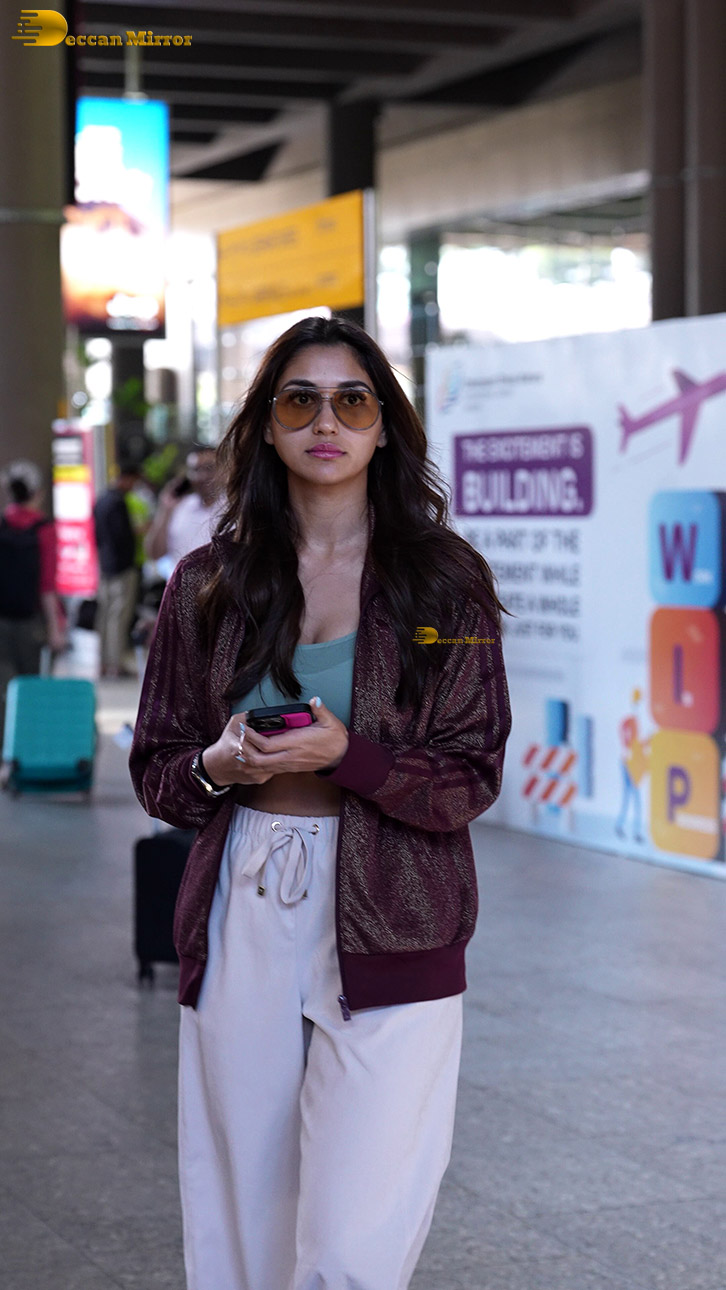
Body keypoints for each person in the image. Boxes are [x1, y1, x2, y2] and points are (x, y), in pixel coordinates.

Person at [129, 316, 511, 1290]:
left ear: (384, 425)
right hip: (247, 892)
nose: (326, 422)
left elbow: (471, 771)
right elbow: (158, 769)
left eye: (352, 401)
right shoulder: (206, 583)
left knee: (355, 1240)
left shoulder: (447, 585)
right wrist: (220, 764)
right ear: (266, 423)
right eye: (300, 400)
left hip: (400, 905)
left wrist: (352, 757)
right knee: (244, 1220)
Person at [0, 459, 64, 731]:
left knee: (4, 689)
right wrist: (55, 628)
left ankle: (4, 747)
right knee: (32, 686)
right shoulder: (44, 529)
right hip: (31, 622)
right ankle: (27, 743)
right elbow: (47, 584)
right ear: (37, 493)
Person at [93, 462, 140, 678]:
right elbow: (123, 536)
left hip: (105, 565)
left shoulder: (101, 500)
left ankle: (104, 662)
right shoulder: (118, 502)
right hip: (122, 566)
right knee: (118, 617)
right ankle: (115, 663)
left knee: (104, 615)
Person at [144, 444, 223, 575]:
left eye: (209, 468)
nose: (203, 476)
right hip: (179, 585)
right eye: (196, 470)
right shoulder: (178, 508)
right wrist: (164, 510)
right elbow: (154, 554)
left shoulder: (234, 509)